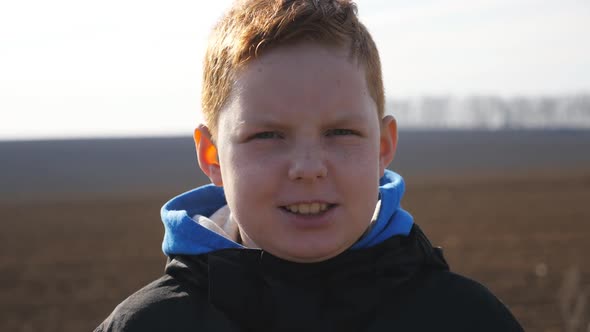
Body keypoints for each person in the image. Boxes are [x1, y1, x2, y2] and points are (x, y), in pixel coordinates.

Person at [95, 0, 524, 331]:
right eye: (267, 136)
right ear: (212, 156)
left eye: (341, 133)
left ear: (383, 145)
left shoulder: (463, 319)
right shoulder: (148, 325)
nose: (308, 168)